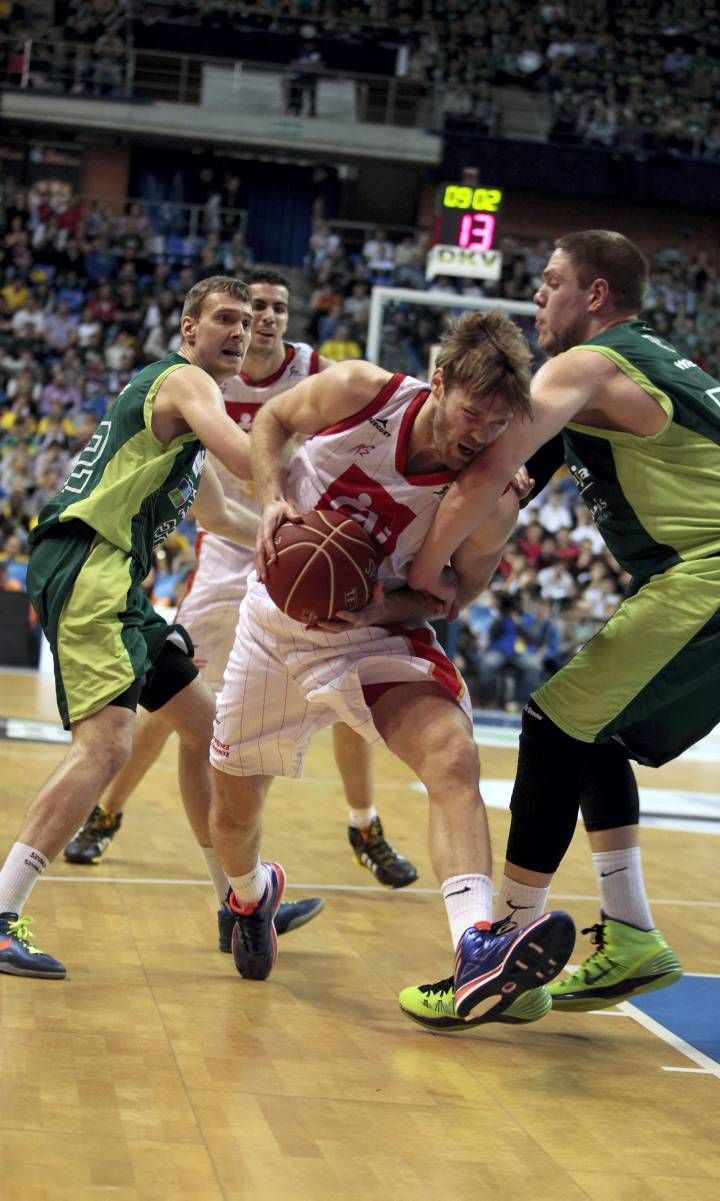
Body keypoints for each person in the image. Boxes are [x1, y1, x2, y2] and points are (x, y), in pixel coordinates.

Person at [403, 230, 720, 1026]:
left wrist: (419, 575)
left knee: (551, 723)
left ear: (594, 295)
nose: (537, 296)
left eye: (550, 282)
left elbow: (486, 471)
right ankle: (631, 933)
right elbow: (512, 492)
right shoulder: (620, 373)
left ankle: (505, 954)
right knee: (592, 732)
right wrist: (458, 583)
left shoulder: (587, 364)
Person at [208, 310, 575, 1019]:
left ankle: (474, 942)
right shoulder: (360, 390)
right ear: (438, 383)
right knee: (233, 811)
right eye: (472, 415)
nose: (481, 435)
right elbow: (271, 424)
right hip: (274, 624)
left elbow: (459, 591)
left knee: (453, 753)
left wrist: (379, 607)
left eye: (498, 425)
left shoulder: (491, 500)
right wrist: (273, 499)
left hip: (372, 634)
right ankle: (252, 894)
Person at [63, 270, 417, 923]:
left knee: (348, 682)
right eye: (256, 307)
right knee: (173, 701)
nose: (267, 318)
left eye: (278, 307)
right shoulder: (205, 381)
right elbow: (216, 488)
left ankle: (362, 824)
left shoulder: (315, 371)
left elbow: (387, 415)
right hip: (230, 551)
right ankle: (107, 811)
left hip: (303, 545)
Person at [0, 276, 264, 979]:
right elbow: (249, 459)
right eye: (226, 320)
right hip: (91, 562)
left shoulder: (185, 416)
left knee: (204, 729)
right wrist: (326, 476)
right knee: (107, 746)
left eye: (247, 322)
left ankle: (235, 902)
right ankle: (0, 915)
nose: (240, 332)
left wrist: (286, 531)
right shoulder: (184, 383)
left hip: (115, 576)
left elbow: (224, 517)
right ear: (188, 329)